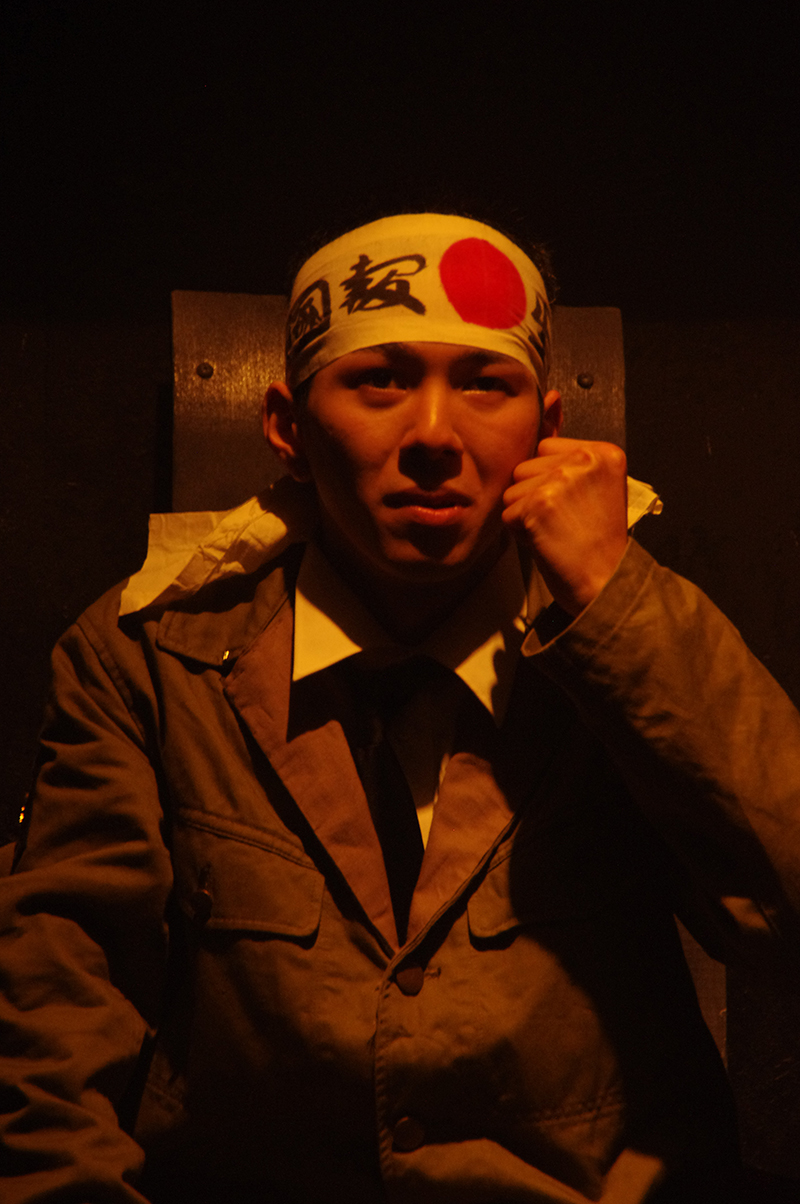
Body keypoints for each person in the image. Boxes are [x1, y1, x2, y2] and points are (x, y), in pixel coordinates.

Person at [2, 212, 800, 1204]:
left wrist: (616, 603)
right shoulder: (149, 661)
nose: (432, 435)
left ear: (547, 431)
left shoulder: (632, 644)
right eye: (379, 379)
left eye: (484, 384)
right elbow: (53, 1016)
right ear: (288, 428)